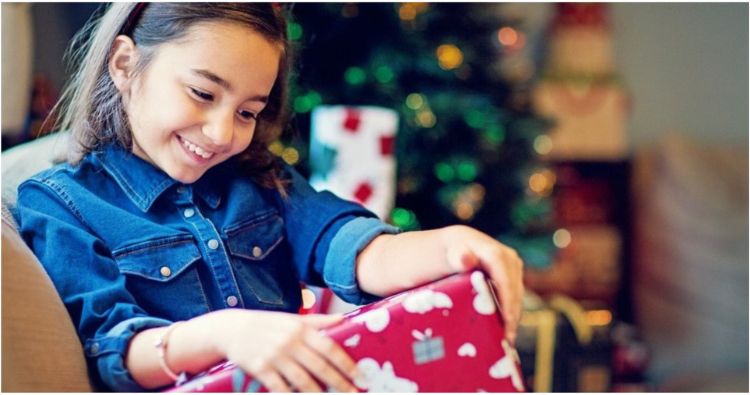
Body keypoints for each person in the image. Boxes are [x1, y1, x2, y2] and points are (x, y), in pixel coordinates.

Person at [15, 3, 524, 392]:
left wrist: (448, 246)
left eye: (247, 111)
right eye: (203, 93)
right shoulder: (60, 203)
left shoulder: (258, 180)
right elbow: (114, 349)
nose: (220, 133)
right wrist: (227, 334)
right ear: (125, 64)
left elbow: (352, 245)